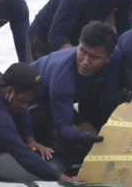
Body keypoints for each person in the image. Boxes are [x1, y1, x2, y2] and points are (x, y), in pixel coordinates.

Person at [31, 21, 121, 152]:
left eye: (94, 57)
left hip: (63, 99)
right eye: (83, 51)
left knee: (98, 137)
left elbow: (108, 97)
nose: (85, 62)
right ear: (78, 44)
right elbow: (64, 128)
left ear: (108, 58)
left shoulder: (116, 57)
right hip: (36, 101)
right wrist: (80, 136)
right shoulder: (63, 77)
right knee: (80, 145)